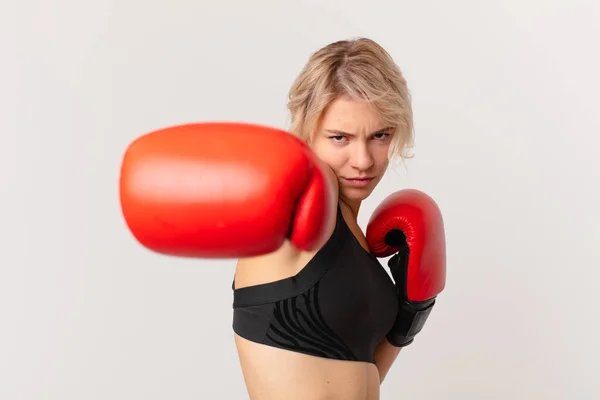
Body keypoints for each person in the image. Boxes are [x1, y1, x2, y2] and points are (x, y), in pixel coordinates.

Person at [119, 37, 446, 400]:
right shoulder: (295, 216)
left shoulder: (353, 232)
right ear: (305, 130)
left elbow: (358, 374)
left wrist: (408, 319)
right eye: (340, 138)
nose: (363, 160)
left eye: (379, 136)